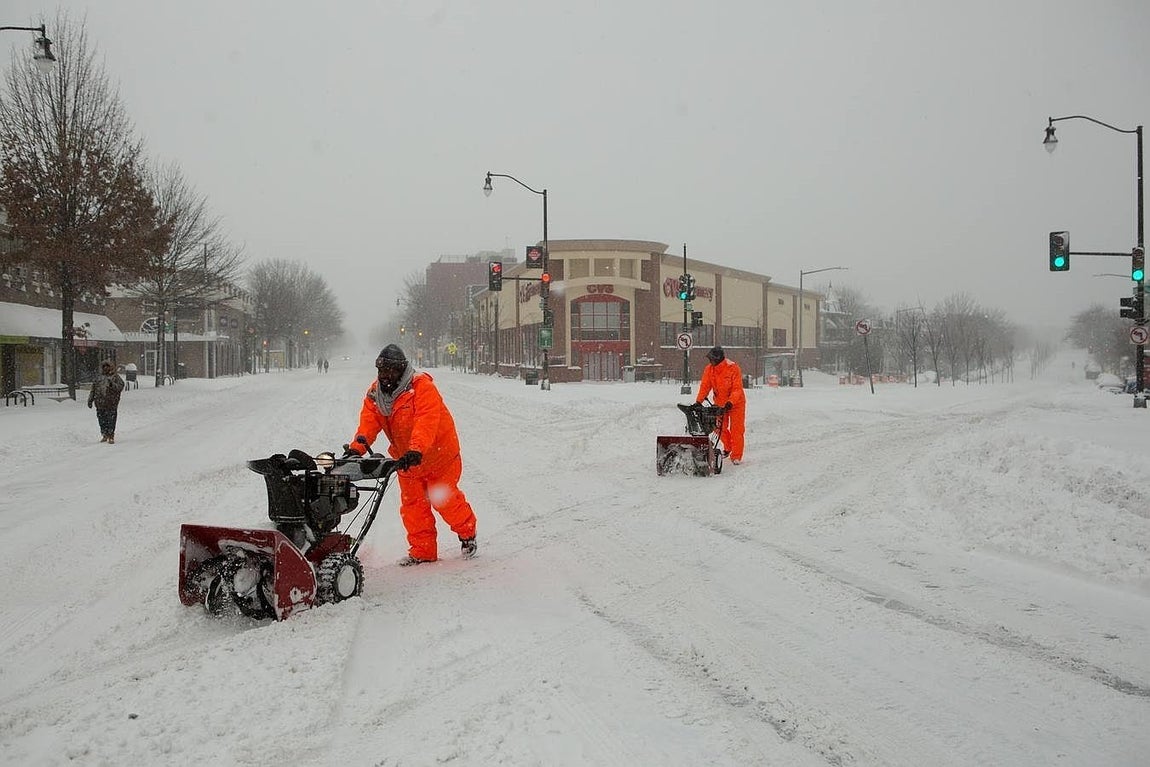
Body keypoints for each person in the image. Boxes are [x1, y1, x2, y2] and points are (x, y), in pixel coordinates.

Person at [344, 344, 477, 565]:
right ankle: (423, 552)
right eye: (382, 371)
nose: (386, 376)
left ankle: (468, 532)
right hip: (406, 459)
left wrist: (416, 449)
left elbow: (426, 421)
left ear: (402, 370)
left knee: (443, 499)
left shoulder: (422, 387)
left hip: (438, 456)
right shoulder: (375, 395)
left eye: (391, 371)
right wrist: (356, 449)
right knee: (413, 505)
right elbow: (368, 424)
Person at [695, 345, 746, 464]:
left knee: (736, 430)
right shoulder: (709, 369)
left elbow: (737, 389)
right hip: (719, 403)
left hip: (736, 403)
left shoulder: (733, 368)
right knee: (719, 428)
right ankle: (728, 447)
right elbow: (705, 386)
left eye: (711, 359)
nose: (710, 361)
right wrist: (698, 401)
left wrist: (730, 402)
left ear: (718, 359)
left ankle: (736, 456)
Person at [88, 359, 125, 444]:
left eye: (107, 366)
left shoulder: (115, 377)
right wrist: (90, 399)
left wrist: (112, 385)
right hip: (100, 403)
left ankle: (111, 435)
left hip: (111, 403)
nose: (105, 368)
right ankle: (104, 434)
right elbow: (93, 389)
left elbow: (120, 387)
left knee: (111, 420)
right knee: (102, 420)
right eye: (104, 366)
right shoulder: (99, 377)